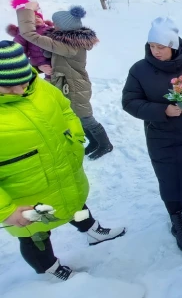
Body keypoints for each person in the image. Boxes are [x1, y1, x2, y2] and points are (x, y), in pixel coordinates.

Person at [0, 41, 125, 280]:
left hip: (63, 173)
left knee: (75, 204)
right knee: (36, 235)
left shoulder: (40, 88)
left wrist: (76, 139)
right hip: (24, 196)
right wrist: (6, 211)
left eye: (23, 81)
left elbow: (67, 111)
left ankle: (92, 231)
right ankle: (49, 268)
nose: (20, 89)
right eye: (9, 87)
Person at [122, 18, 182, 254]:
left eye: (161, 47)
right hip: (162, 137)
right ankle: (177, 222)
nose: (155, 51)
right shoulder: (139, 70)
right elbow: (129, 102)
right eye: (152, 46)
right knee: (169, 178)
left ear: (173, 45)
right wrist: (161, 111)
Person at [16, 1, 113, 160]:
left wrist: (28, 10)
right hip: (68, 83)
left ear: (64, 27)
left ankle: (105, 145)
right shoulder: (66, 42)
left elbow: (29, 34)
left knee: (85, 117)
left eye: (56, 24)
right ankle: (94, 142)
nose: (53, 26)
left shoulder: (68, 46)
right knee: (77, 116)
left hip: (75, 86)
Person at [7, 0, 53, 79]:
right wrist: (38, 66)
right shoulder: (24, 34)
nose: (37, 19)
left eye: (39, 17)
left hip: (58, 63)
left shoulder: (51, 29)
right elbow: (19, 54)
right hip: (43, 65)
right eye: (33, 18)